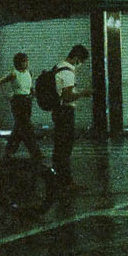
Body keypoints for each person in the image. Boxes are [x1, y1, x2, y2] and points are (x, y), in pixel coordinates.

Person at [51, 44, 91, 189]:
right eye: (80, 61)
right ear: (76, 57)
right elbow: (67, 96)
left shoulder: (58, 66)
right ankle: (66, 182)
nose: (80, 65)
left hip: (57, 110)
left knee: (59, 147)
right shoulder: (68, 72)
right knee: (65, 148)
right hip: (65, 112)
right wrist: (83, 93)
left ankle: (57, 179)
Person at [0, 51, 42, 161]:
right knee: (27, 126)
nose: (26, 63)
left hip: (27, 100)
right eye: (24, 61)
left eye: (27, 61)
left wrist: (33, 93)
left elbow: (30, 86)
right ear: (18, 63)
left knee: (19, 127)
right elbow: (1, 82)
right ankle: (35, 151)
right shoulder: (14, 74)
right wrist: (8, 95)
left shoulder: (29, 73)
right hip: (18, 101)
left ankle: (9, 150)